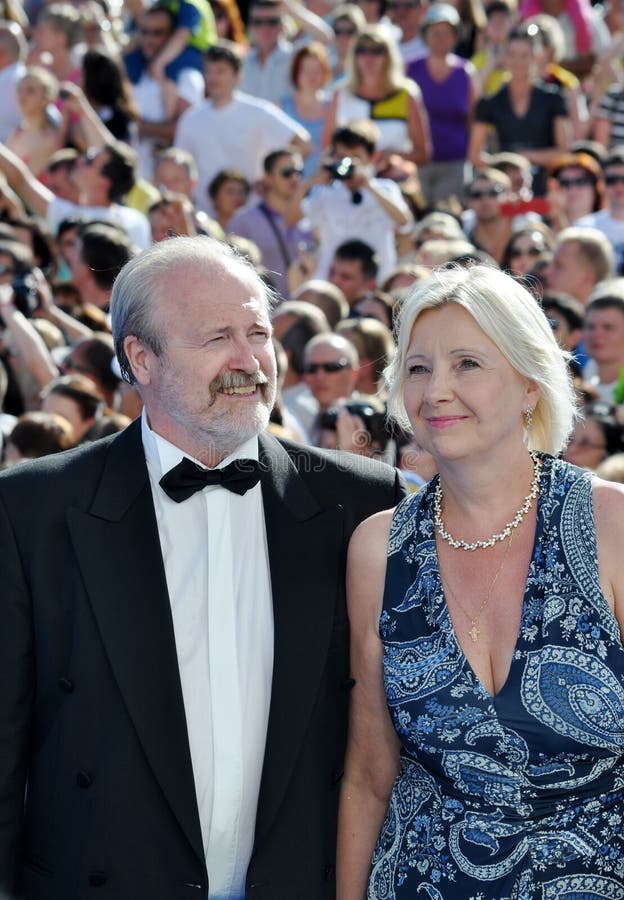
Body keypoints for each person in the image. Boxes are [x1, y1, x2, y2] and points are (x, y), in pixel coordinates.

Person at [0, 235, 406, 899]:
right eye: (218, 337)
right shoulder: (32, 510)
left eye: (258, 332)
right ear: (141, 358)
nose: (250, 361)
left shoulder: (363, 504)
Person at [337, 263, 624, 897]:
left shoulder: (612, 525)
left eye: (468, 363)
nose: (436, 390)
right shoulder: (378, 548)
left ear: (529, 386)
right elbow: (368, 773)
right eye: (418, 368)